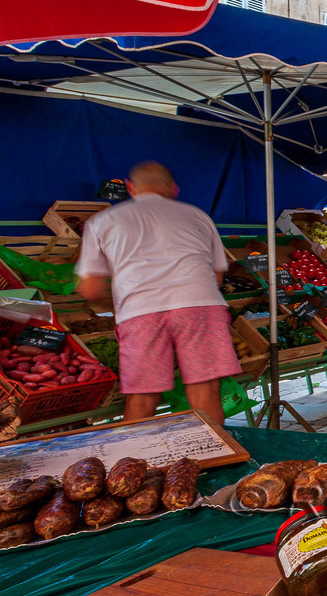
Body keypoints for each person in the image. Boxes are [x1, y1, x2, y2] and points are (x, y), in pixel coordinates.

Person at [75, 162, 240, 425]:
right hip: (199, 306)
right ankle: (216, 458)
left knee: (142, 396)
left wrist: (120, 296)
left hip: (140, 312)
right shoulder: (197, 216)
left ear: (130, 188)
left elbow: (91, 288)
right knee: (205, 388)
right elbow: (217, 276)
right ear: (173, 189)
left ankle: (132, 463)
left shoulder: (102, 221)